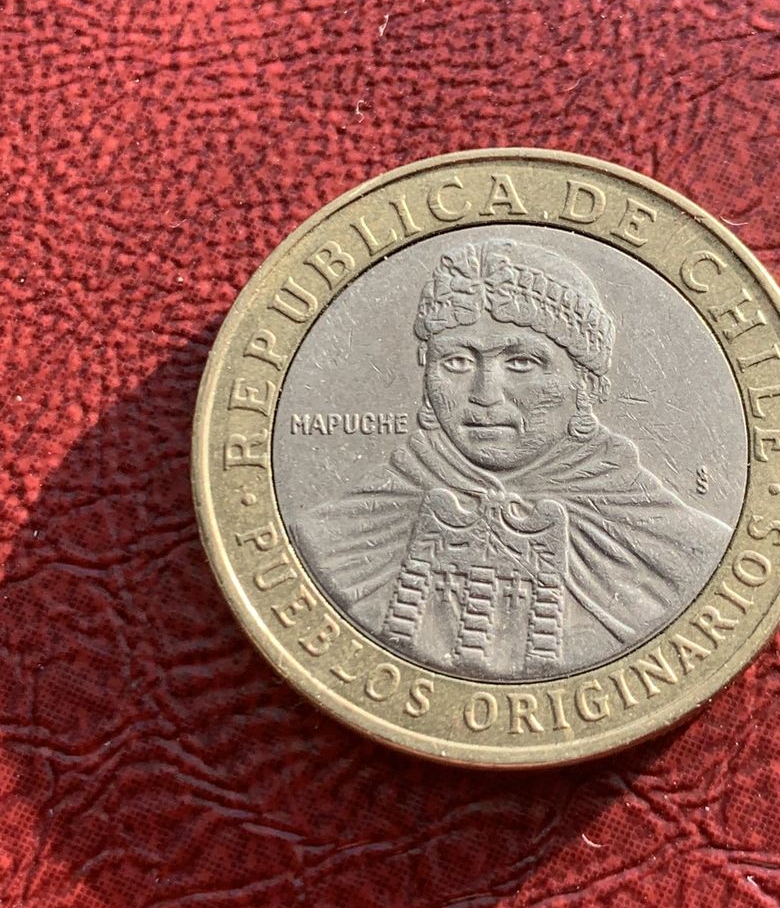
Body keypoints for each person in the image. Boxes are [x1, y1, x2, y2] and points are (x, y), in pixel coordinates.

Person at [292, 238, 732, 680]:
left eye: (521, 362)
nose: (485, 395)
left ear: (586, 384)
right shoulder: (335, 536)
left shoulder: (687, 549)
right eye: (457, 361)